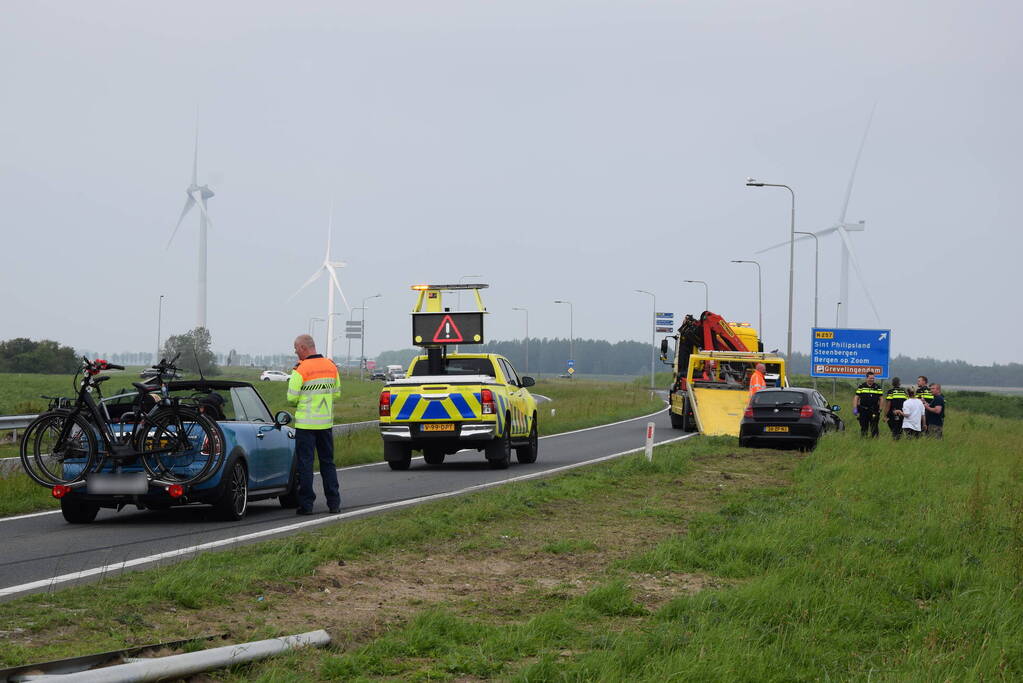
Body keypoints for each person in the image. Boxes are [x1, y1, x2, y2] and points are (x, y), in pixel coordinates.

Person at [287, 334, 342, 515]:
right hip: (325, 425)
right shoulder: (331, 366)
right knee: (328, 463)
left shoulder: (300, 370)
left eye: (296, 350)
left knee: (305, 465)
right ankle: (334, 503)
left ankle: (307, 505)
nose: (296, 353)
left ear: (303, 348)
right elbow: (336, 394)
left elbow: (291, 398)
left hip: (305, 425)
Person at [853, 372, 883, 437]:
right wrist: (855, 408)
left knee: (874, 427)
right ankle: (864, 440)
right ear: (866, 378)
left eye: (873, 378)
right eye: (870, 378)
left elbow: (881, 398)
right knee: (864, 427)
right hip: (863, 410)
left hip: (874, 410)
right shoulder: (861, 387)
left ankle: (874, 440)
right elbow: (856, 397)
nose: (872, 380)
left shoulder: (877, 387)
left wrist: (880, 408)